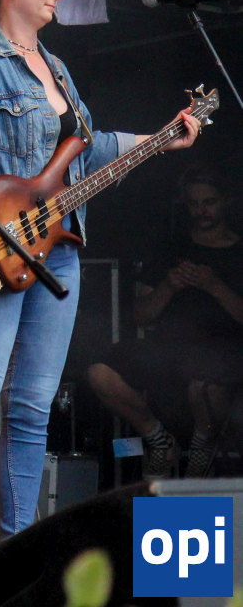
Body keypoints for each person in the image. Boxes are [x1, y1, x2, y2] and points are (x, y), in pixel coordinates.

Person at [0, 0, 197, 572]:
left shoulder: (57, 68)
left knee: (33, 405)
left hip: (57, 249)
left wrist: (161, 138)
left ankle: (20, 548)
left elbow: (88, 147)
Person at [88, 165, 243, 480]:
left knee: (206, 384)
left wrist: (213, 285)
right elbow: (141, 315)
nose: (201, 211)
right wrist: (169, 286)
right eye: (194, 203)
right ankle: (160, 441)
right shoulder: (170, 248)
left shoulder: (239, 251)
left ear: (225, 201)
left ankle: (203, 447)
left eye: (209, 202)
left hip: (223, 352)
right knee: (99, 374)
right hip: (168, 350)